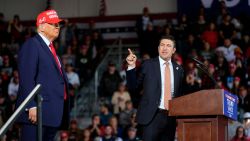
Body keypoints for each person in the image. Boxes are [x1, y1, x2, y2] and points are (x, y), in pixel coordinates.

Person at [15, 9, 69, 141]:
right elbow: (27, 78)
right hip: (37, 112)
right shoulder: (32, 45)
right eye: (54, 24)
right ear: (42, 26)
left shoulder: (51, 48)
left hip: (51, 114)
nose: (58, 27)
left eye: (59, 24)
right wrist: (31, 105)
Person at [126, 35, 184, 141]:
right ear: (158, 48)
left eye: (168, 45)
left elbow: (180, 94)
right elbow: (133, 87)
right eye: (162, 45)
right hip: (151, 116)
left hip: (170, 118)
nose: (165, 48)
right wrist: (131, 67)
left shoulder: (178, 69)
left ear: (173, 50)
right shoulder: (148, 65)